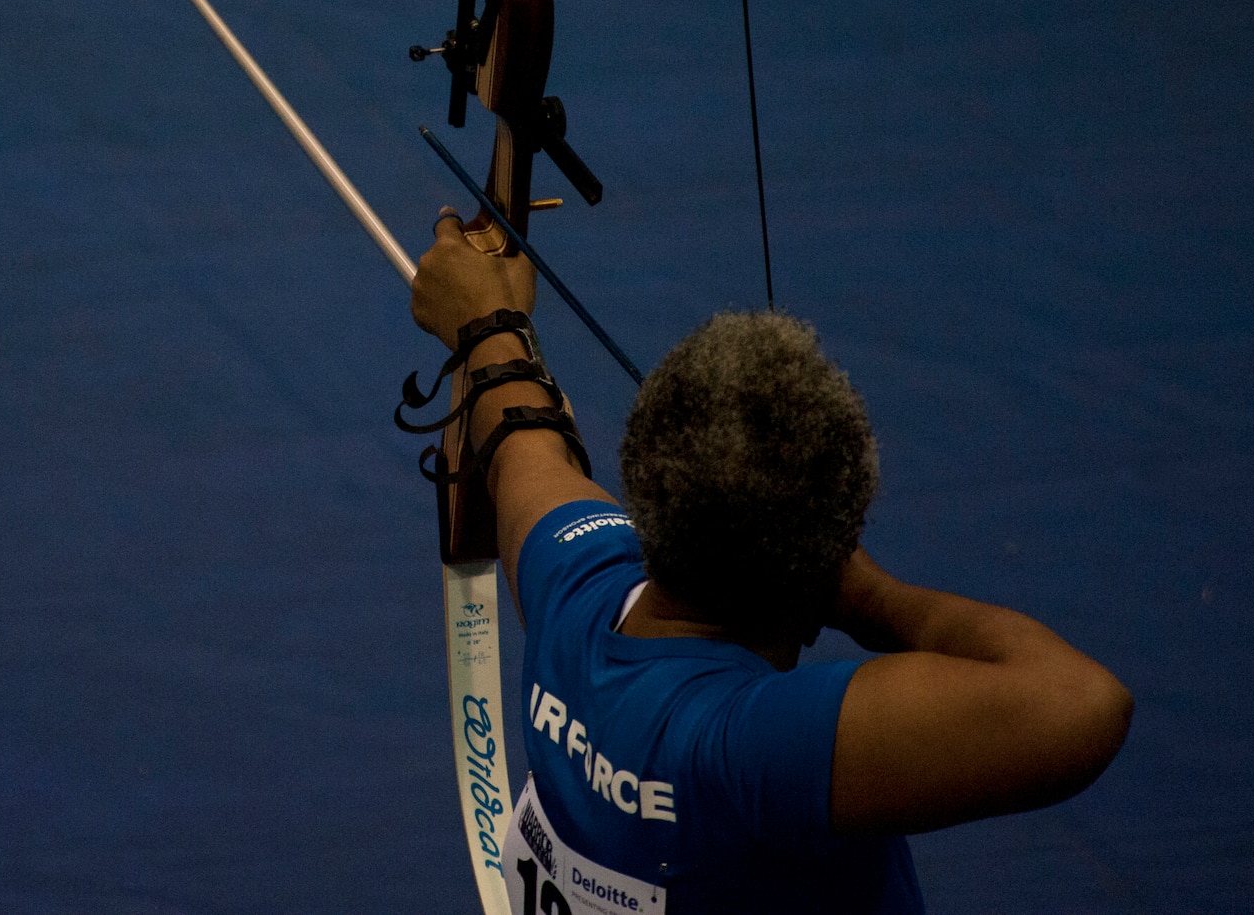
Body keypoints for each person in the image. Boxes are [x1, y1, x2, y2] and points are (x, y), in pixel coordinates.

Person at [408, 209, 1132, 914]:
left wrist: (489, 326)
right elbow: (1084, 702)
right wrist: (870, 596)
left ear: (644, 485)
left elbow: (520, 440)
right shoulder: (751, 751)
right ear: (813, 576)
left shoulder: (572, 589)